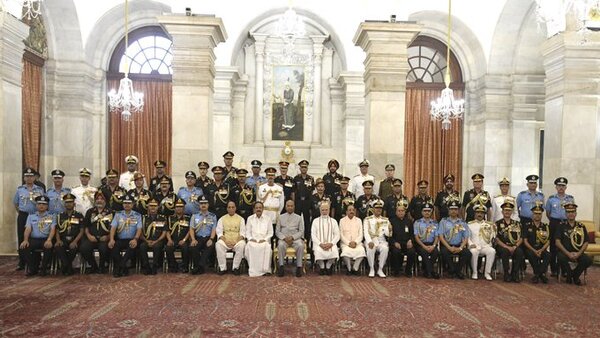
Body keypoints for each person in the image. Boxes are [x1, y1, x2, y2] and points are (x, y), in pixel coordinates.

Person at [13, 167, 45, 270]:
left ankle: (36, 261)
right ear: (24, 177)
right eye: (27, 176)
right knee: (22, 238)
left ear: (35, 177)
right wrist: (23, 212)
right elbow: (16, 203)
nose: (29, 178)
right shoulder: (20, 190)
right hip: (23, 215)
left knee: (35, 237)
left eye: (31, 176)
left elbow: (44, 203)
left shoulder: (40, 190)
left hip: (36, 216)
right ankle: (22, 261)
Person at [555, 202, 592, 285]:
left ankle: (574, 275)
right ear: (566, 214)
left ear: (575, 214)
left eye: (572, 212)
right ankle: (570, 275)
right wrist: (568, 253)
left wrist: (579, 253)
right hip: (565, 252)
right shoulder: (561, 226)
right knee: (560, 257)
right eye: (568, 212)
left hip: (577, 252)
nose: (571, 214)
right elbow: (557, 242)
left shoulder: (581, 226)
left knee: (588, 260)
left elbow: (586, 241)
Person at [545, 176, 575, 277]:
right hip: (554, 223)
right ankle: (554, 270)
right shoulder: (551, 199)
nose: (561, 187)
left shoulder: (570, 199)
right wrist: (554, 221)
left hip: (566, 224)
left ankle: (564, 269)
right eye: (559, 186)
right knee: (553, 246)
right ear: (556, 187)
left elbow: (572, 212)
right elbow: (548, 213)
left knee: (565, 245)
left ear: (566, 187)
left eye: (563, 186)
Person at [20, 195, 56, 276]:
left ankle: (43, 269)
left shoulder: (51, 216)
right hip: (34, 239)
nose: (41, 206)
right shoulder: (31, 216)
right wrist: (25, 240)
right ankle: (33, 268)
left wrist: (49, 239)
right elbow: (28, 229)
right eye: (39, 204)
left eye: (44, 204)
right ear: (36, 205)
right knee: (24, 247)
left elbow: (53, 229)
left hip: (46, 239)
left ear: (47, 206)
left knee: (48, 247)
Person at [108, 195, 143, 277]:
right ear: (122, 204)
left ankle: (119, 267)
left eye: (129, 203)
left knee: (131, 247)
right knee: (113, 246)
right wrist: (111, 239)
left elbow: (139, 229)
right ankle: (123, 267)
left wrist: (135, 239)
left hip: (132, 239)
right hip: (121, 239)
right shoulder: (117, 215)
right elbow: (113, 228)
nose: (127, 205)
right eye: (125, 203)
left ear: (133, 204)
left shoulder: (137, 215)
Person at [80, 191, 113, 274]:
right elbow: (86, 226)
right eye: (97, 199)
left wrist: (108, 237)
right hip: (92, 237)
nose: (99, 200)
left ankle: (102, 267)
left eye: (102, 199)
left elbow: (114, 228)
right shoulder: (90, 212)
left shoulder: (110, 212)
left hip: (104, 238)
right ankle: (93, 265)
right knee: (84, 248)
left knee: (104, 249)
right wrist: (89, 236)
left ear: (105, 201)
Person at [438, 200, 471, 279]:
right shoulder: (443, 221)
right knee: (444, 252)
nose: (453, 211)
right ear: (448, 210)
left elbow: (466, 237)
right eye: (451, 209)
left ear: (458, 211)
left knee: (467, 253)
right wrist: (449, 247)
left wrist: (460, 248)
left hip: (459, 245)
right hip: (447, 245)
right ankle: (454, 269)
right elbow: (441, 236)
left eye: (455, 209)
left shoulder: (462, 222)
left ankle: (457, 270)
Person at [54, 193, 85, 275]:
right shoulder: (60, 216)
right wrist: (58, 240)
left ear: (74, 204)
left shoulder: (79, 215)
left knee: (73, 248)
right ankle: (67, 266)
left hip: (75, 239)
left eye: (70, 202)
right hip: (63, 239)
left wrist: (75, 241)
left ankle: (65, 266)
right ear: (64, 204)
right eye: (67, 202)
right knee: (58, 247)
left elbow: (82, 230)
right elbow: (57, 230)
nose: (69, 204)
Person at [495, 201, 524, 283]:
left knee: (519, 252)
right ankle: (506, 273)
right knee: (505, 252)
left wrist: (515, 246)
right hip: (502, 246)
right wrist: (507, 247)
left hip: (514, 245)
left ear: (512, 212)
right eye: (505, 210)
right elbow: (496, 239)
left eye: (509, 210)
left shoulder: (517, 224)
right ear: (502, 212)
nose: (507, 212)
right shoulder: (497, 223)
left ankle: (514, 273)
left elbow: (521, 237)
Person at [215, 201, 246, 275]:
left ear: (235, 208)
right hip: (226, 242)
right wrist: (226, 242)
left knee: (242, 245)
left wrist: (236, 242)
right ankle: (223, 268)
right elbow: (219, 233)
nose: (231, 209)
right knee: (218, 244)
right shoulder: (222, 219)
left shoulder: (241, 219)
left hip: (237, 242)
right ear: (227, 209)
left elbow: (243, 233)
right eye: (229, 207)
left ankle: (235, 267)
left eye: (232, 207)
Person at [275, 200, 305, 277]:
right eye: (288, 206)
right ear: (285, 207)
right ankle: (281, 266)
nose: (290, 207)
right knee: (280, 245)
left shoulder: (298, 218)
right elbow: (277, 231)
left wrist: (292, 237)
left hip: (295, 238)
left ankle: (299, 267)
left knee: (301, 245)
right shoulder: (280, 217)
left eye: (291, 206)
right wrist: (284, 238)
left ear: (294, 207)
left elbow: (301, 231)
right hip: (284, 239)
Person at [189, 196, 217, 275]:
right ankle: (200, 267)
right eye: (201, 203)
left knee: (210, 246)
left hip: (209, 237)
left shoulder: (213, 216)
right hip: (198, 238)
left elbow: (214, 229)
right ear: (199, 205)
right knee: (193, 247)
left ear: (208, 205)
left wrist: (211, 239)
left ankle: (199, 266)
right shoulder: (194, 216)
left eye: (205, 203)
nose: (203, 205)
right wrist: (193, 239)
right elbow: (191, 229)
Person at [523, 203, 550, 284]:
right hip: (530, 249)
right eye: (535, 213)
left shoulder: (545, 226)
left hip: (541, 249)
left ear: (541, 215)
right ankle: (540, 274)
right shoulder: (527, 226)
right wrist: (534, 250)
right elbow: (525, 241)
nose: (537, 215)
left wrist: (541, 250)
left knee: (548, 255)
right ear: (532, 214)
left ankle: (538, 274)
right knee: (531, 254)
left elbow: (548, 240)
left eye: (539, 214)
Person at [363, 199, 391, 278]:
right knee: (370, 248)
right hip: (371, 240)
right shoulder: (367, 219)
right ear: (373, 209)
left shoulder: (385, 220)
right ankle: (372, 268)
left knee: (385, 248)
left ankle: (380, 269)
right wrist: (369, 241)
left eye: (380, 208)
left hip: (381, 241)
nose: (378, 210)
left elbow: (388, 234)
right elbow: (366, 232)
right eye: (376, 208)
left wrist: (389, 229)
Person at [467, 205, 496, 280]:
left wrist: (490, 244)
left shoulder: (489, 225)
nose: (479, 214)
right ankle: (474, 272)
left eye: (482, 213)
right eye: (478, 212)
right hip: (474, 246)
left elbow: (492, 236)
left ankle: (487, 273)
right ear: (475, 213)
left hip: (485, 246)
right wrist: (470, 244)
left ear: (484, 214)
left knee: (492, 251)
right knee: (474, 252)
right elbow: (467, 237)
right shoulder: (469, 224)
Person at [139, 198, 166, 275]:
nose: (153, 207)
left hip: (158, 240)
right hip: (146, 240)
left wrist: (156, 241)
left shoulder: (162, 218)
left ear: (158, 207)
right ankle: (146, 266)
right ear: (148, 207)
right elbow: (140, 232)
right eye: (151, 205)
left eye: (155, 206)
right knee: (142, 246)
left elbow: (164, 233)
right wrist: (147, 241)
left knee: (157, 246)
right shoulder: (143, 218)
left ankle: (155, 266)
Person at [245, 202, 273, 277]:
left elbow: (270, 232)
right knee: (249, 246)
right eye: (256, 208)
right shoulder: (250, 218)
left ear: (263, 209)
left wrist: (265, 239)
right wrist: (251, 239)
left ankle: (266, 270)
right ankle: (253, 271)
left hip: (264, 241)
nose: (258, 209)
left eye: (260, 208)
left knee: (267, 247)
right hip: (253, 241)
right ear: (254, 209)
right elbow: (247, 232)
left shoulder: (268, 219)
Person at [312, 202, 340, 275]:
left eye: (326, 210)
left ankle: (328, 266)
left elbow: (337, 235)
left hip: (331, 243)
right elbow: (313, 235)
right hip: (319, 244)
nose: (324, 212)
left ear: (329, 210)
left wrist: (331, 244)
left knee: (334, 251)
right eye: (323, 210)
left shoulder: (334, 221)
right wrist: (320, 244)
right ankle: (321, 266)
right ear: (320, 210)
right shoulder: (315, 221)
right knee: (317, 251)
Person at [413, 202, 439, 279]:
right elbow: (416, 237)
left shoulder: (435, 223)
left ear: (431, 212)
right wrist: (424, 246)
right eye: (425, 211)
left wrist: (433, 246)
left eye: (429, 211)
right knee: (424, 252)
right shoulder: (417, 223)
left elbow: (437, 236)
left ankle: (427, 271)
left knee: (435, 252)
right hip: (421, 244)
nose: (427, 212)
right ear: (422, 212)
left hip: (432, 244)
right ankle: (431, 271)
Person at [389, 201, 415, 277]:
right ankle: (396, 270)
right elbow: (389, 236)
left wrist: (410, 241)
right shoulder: (391, 221)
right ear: (396, 212)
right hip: (396, 243)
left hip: (407, 243)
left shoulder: (409, 221)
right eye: (399, 211)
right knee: (396, 251)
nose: (401, 212)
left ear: (405, 212)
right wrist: (394, 243)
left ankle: (408, 270)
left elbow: (412, 234)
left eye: (402, 211)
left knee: (412, 251)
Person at [339, 204, 366, 276]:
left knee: (361, 250)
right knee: (345, 251)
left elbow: (361, 234)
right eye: (349, 210)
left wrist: (356, 242)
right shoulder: (342, 221)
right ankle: (349, 268)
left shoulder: (359, 220)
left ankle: (355, 268)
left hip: (357, 243)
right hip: (346, 243)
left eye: (353, 210)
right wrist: (348, 243)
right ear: (346, 212)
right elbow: (341, 234)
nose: (351, 211)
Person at [166, 198, 191, 273]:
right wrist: (169, 240)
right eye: (177, 207)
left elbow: (190, 231)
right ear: (174, 208)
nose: (179, 208)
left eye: (181, 207)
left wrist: (184, 240)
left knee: (185, 248)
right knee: (168, 248)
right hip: (173, 239)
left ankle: (185, 266)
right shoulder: (170, 218)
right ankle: (174, 265)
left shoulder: (188, 218)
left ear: (184, 208)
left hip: (184, 239)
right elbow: (167, 230)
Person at [293, 160, 315, 236]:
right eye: (302, 167)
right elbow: (293, 192)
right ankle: (296, 238)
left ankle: (306, 239)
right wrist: (293, 203)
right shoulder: (296, 178)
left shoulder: (311, 179)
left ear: (307, 168)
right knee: (296, 221)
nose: (304, 169)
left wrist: (310, 204)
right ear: (300, 168)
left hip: (307, 202)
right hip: (298, 202)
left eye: (305, 167)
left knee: (307, 222)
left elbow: (312, 192)